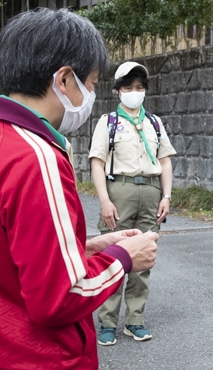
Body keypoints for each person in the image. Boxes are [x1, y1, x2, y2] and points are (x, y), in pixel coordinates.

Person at [0, 8, 159, 370]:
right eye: (89, 83)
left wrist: (85, 247)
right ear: (63, 79)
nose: (91, 93)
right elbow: (60, 296)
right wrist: (123, 259)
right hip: (37, 357)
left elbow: (0, 251)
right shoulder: (37, 157)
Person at [89, 61, 176, 346]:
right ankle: (107, 323)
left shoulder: (154, 122)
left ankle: (135, 321)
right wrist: (104, 200)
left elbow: (165, 161)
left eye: (139, 87)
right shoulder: (108, 122)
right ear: (117, 91)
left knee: (143, 259)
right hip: (119, 191)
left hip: (151, 192)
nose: (134, 92)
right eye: (128, 87)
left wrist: (166, 196)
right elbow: (97, 163)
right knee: (112, 256)